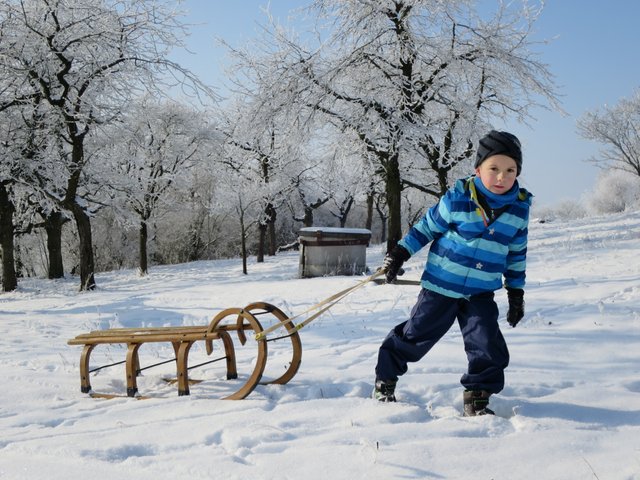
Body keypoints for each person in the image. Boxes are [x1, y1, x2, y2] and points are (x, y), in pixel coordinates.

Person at [373, 130, 532, 416]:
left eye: (510, 170)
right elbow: (426, 229)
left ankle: (478, 395)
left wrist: (516, 292)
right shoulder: (458, 198)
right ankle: (385, 378)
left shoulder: (519, 210)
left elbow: (516, 254)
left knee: (487, 343)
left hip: (480, 292)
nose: (501, 177)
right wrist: (400, 253)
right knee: (416, 335)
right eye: (493, 168)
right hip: (440, 286)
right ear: (478, 169)